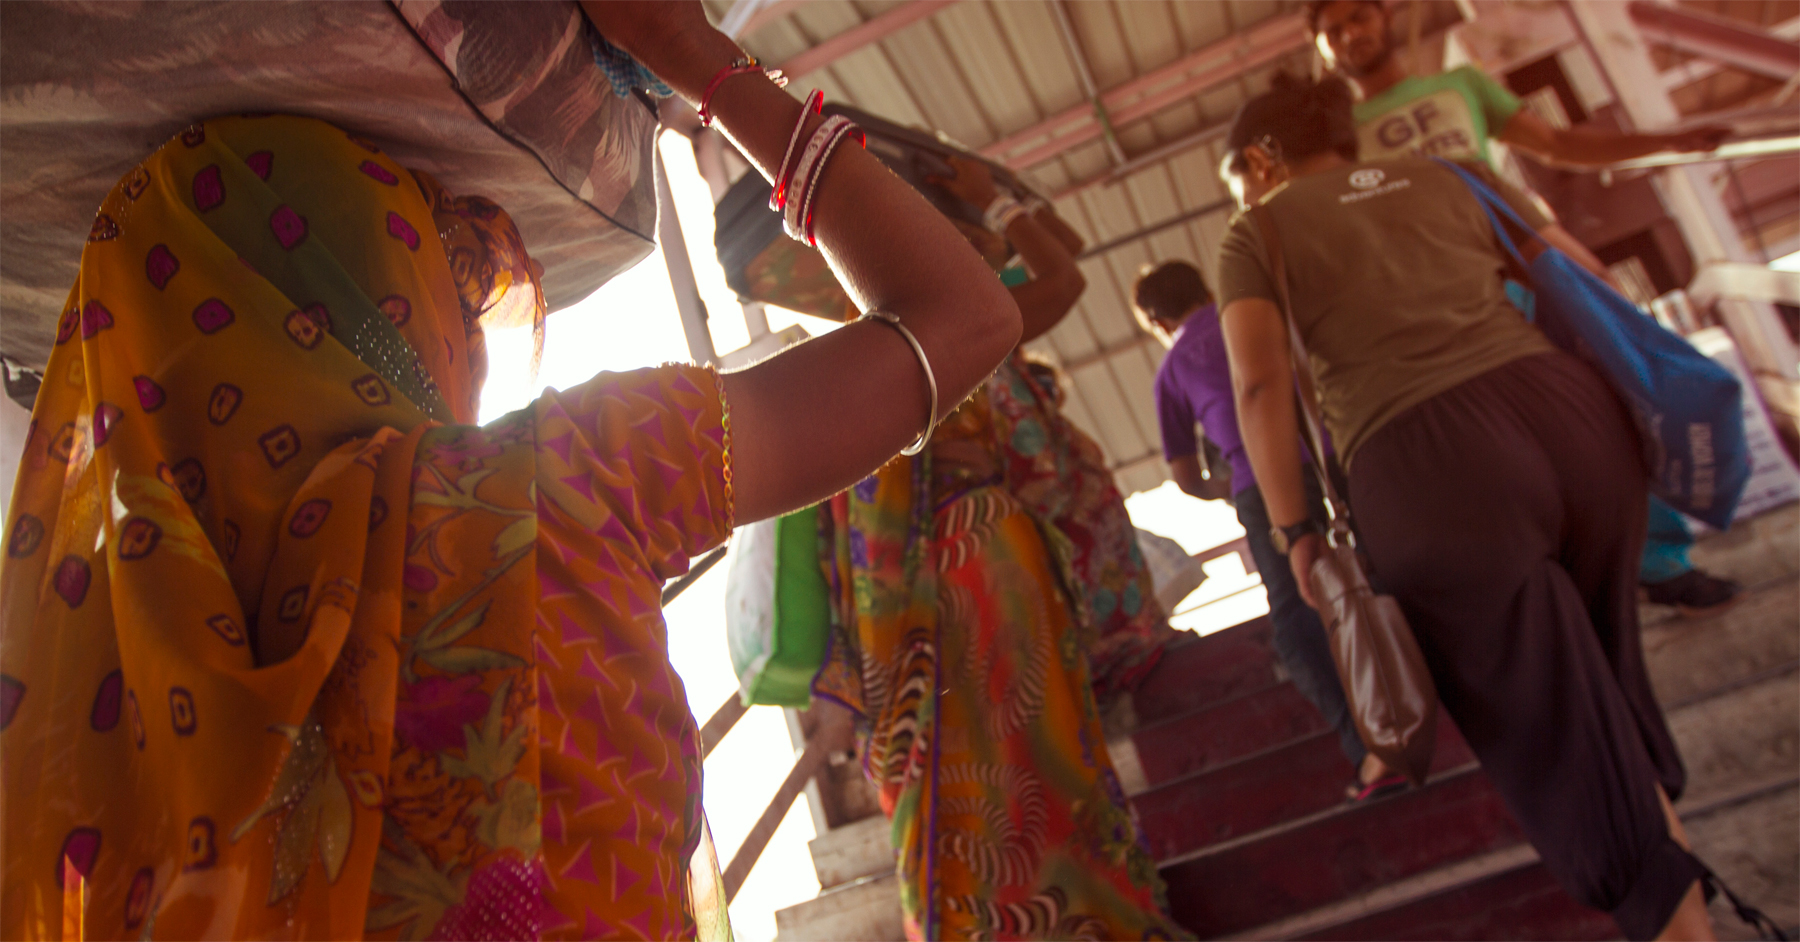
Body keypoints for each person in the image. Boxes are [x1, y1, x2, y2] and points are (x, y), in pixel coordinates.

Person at [0, 2, 1028, 937]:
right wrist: (689, 56)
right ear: (400, 311)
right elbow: (964, 317)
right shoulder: (562, 479)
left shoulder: (92, 716)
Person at [1214, 72, 1719, 941]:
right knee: (1601, 689)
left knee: (1553, 725)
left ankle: (1680, 929)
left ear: (1261, 158)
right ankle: (1682, 894)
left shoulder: (1256, 230)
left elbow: (1260, 386)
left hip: (1429, 463)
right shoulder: (1460, 178)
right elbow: (1589, 276)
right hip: (1573, 425)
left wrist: (1296, 532)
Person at [812, 158, 1183, 940]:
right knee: (1047, 763)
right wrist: (998, 199)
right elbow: (1068, 268)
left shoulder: (868, 340)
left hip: (925, 590)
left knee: (952, 780)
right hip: (992, 561)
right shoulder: (973, 313)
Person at [1306, 0, 1742, 616]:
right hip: (1443, 302)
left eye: (1357, 17)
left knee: (1609, 400)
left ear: (1385, 18)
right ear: (1321, 50)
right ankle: (1570, 584)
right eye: (1332, 31)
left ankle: (1663, 564)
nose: (1350, 34)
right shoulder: (1338, 134)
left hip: (1529, 268)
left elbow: (1560, 144)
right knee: (1511, 444)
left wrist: (1670, 139)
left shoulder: (1459, 86)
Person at [1135, 261, 1405, 802]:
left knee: (1298, 624)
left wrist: (1230, 488)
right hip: (1346, 452)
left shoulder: (1173, 369)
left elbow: (1187, 479)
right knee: (1390, 566)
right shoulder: (1257, 315)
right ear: (1208, 290)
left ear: (1157, 323)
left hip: (1265, 483)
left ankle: (1372, 752)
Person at [932, 157, 1184, 707]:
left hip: (1074, 521)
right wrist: (993, 202)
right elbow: (1066, 279)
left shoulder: (977, 305)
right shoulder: (959, 319)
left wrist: (1000, 189)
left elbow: (1067, 243)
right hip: (1050, 529)